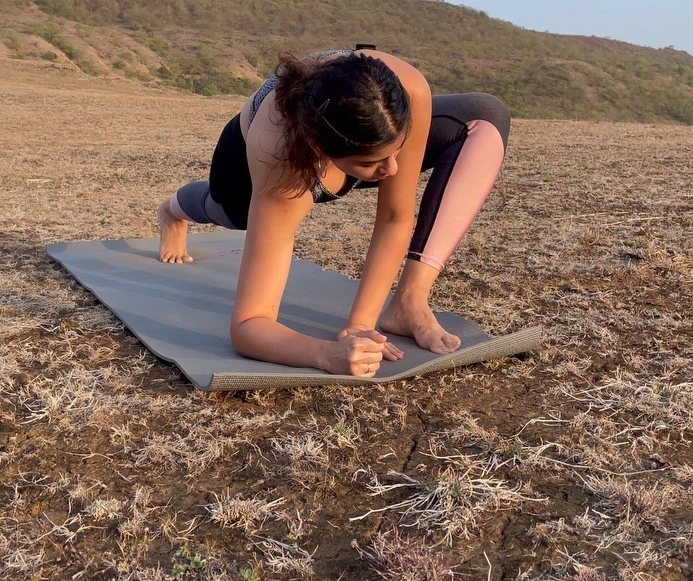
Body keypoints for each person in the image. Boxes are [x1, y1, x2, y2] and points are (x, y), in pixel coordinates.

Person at [158, 49, 510, 378]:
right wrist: (328, 354)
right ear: (319, 150)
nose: (393, 170)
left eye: (397, 152)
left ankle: (409, 303)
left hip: (345, 140)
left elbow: (394, 217)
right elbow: (249, 325)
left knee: (486, 114)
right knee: (223, 211)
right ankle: (173, 209)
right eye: (374, 162)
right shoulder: (278, 160)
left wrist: (361, 325)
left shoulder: (405, 89)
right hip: (243, 166)